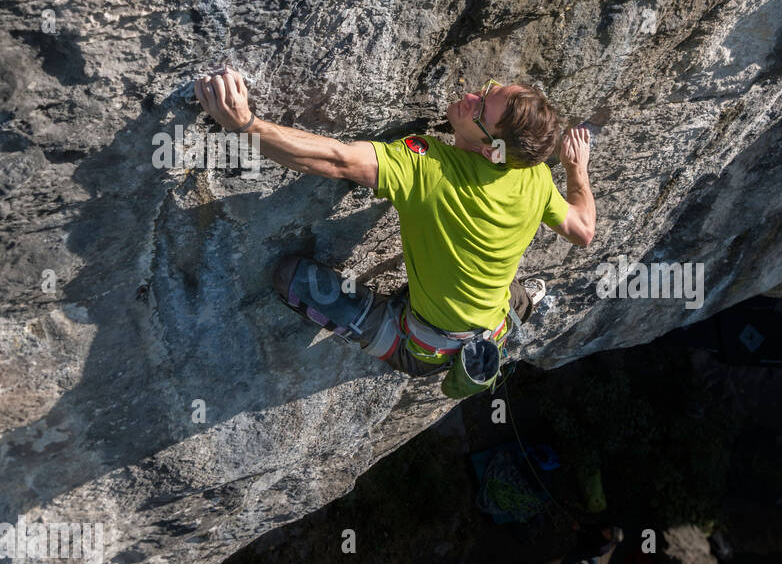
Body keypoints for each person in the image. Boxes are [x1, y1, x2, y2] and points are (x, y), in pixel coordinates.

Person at [194, 67, 597, 376]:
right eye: (489, 88)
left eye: (480, 109)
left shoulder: (428, 167)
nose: (471, 96)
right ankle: (519, 304)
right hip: (494, 323)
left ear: (493, 151)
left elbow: (336, 160)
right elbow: (583, 231)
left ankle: (414, 334)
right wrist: (576, 169)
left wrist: (244, 124)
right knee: (502, 285)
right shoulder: (535, 174)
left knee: (289, 277)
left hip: (423, 344)